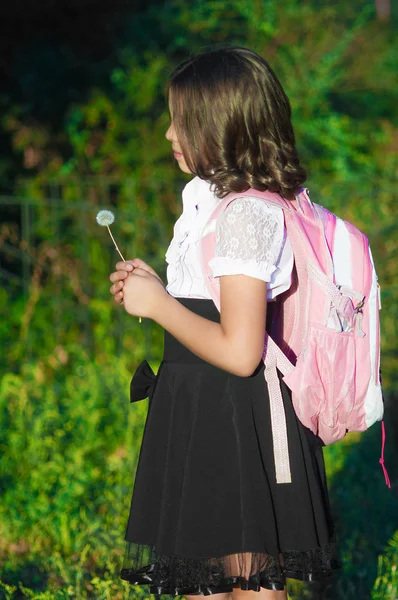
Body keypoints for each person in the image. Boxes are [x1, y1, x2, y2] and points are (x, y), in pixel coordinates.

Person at [109, 45, 341, 600]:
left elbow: (241, 350)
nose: (169, 134)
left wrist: (158, 306)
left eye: (180, 121)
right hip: (199, 410)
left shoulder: (247, 215)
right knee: (202, 581)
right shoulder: (208, 202)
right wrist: (163, 293)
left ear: (222, 127)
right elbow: (211, 303)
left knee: (249, 582)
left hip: (240, 415)